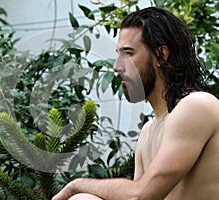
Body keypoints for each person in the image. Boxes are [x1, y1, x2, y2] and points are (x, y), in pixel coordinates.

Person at [52, 6, 219, 200]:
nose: (116, 67)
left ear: (161, 55)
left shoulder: (197, 105)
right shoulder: (149, 130)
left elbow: (141, 195)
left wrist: (76, 186)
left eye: (128, 53)